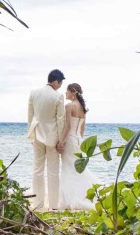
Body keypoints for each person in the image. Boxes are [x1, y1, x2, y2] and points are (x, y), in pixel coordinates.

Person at [27, 69, 66, 211]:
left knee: (37, 169)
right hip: (52, 137)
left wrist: (31, 134)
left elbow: (30, 116)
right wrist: (61, 141)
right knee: (53, 172)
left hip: (36, 134)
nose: (60, 86)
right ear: (56, 81)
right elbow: (60, 120)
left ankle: (37, 204)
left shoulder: (34, 93)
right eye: (60, 83)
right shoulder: (58, 97)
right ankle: (54, 205)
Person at [57, 83, 97, 211]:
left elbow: (67, 127)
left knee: (68, 169)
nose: (65, 93)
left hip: (70, 140)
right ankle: (84, 195)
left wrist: (61, 142)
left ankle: (70, 199)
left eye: (67, 91)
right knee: (76, 169)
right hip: (78, 140)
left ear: (73, 92)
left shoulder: (69, 106)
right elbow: (82, 128)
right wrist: (79, 141)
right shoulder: (83, 108)